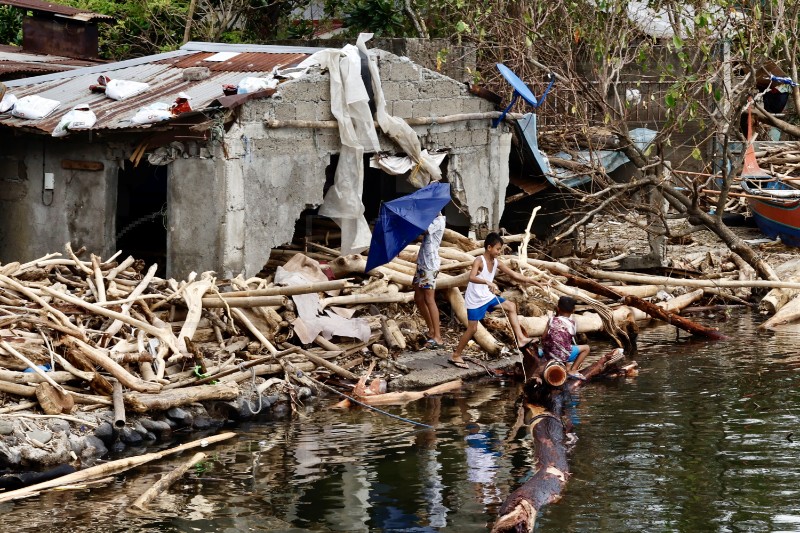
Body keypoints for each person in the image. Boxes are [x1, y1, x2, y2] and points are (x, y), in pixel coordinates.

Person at [450, 232, 535, 369]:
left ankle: (520, 338)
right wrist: (487, 283)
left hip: (487, 296)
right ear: (489, 247)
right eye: (498, 249)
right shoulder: (479, 260)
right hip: (475, 298)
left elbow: (513, 274)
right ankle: (456, 355)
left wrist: (532, 281)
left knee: (511, 306)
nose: (499, 252)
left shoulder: (496, 262)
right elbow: (471, 277)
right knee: (472, 329)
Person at [413, 212, 446, 349]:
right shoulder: (431, 218)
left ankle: (438, 337)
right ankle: (431, 330)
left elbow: (424, 230)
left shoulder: (438, 220)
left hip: (430, 265)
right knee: (418, 297)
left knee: (429, 298)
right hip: (422, 262)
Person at [541, 295, 590, 379]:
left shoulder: (551, 320)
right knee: (586, 348)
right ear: (573, 311)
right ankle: (573, 370)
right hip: (563, 356)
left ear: (557, 308)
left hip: (548, 355)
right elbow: (567, 340)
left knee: (546, 348)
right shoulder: (572, 324)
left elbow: (543, 338)